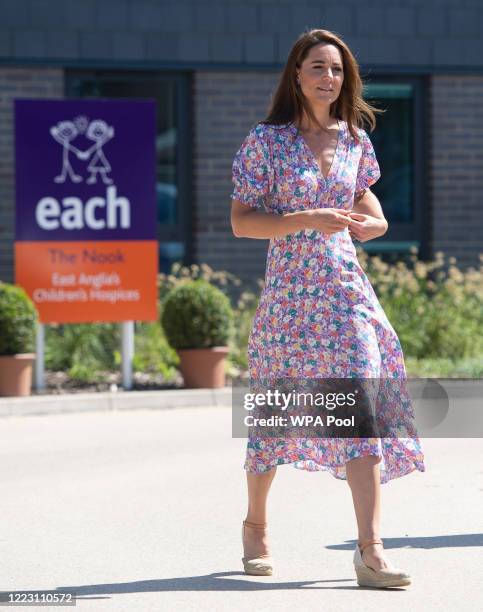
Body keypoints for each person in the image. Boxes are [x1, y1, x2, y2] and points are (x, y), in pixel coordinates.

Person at [230, 29, 425, 588]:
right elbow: (243, 221)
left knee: (360, 399)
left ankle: (371, 550)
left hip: (345, 291)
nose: (328, 78)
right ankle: (256, 525)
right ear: (297, 74)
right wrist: (302, 220)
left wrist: (378, 223)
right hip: (291, 299)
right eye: (317, 67)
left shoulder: (354, 140)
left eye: (337, 69)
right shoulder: (265, 142)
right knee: (275, 413)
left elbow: (367, 201)